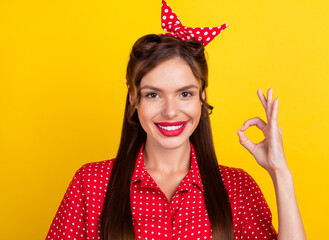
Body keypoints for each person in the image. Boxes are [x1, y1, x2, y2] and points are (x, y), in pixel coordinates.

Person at [46, 1, 306, 239]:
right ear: (134, 99)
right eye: (153, 94)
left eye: (184, 94)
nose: (171, 111)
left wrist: (279, 172)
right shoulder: (90, 185)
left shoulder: (237, 188)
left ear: (201, 98)